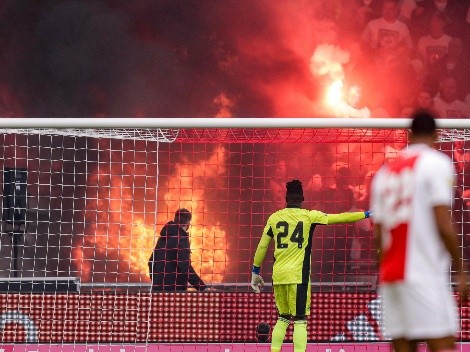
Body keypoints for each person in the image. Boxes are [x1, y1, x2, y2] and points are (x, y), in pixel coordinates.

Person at [371, 109, 469, 352]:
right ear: (437, 135)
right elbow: (443, 220)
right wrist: (461, 270)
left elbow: (378, 235)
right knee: (444, 346)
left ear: (409, 135)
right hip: (423, 274)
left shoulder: (383, 174)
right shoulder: (436, 163)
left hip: (391, 277)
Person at [250, 179, 370, 352]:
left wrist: (255, 271)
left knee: (282, 317)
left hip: (279, 275)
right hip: (299, 276)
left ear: (286, 198)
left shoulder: (274, 218)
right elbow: (339, 218)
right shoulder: (309, 216)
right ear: (302, 198)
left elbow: (262, 246)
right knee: (299, 320)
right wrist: (365, 214)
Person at [148, 208, 207, 292]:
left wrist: (157, 281)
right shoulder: (181, 238)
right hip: (174, 290)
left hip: (157, 289)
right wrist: (201, 287)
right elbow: (184, 266)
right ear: (188, 223)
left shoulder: (163, 237)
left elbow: (151, 262)